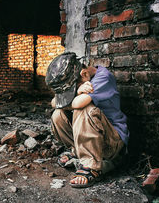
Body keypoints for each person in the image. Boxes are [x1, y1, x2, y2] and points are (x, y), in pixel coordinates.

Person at [46, 52, 129, 188]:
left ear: (84, 74)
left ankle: (92, 166)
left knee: (84, 109)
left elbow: (79, 104)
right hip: (94, 142)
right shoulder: (82, 80)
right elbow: (54, 102)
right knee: (58, 113)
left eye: (73, 88)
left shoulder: (103, 78)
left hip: (112, 143)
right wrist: (76, 91)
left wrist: (75, 95)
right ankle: (77, 152)